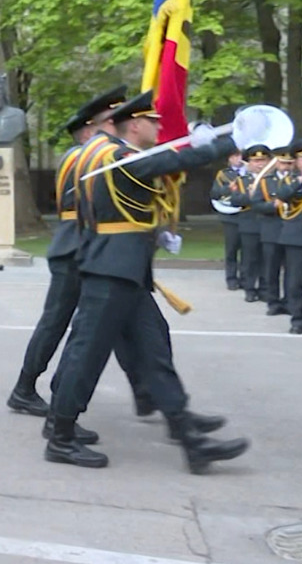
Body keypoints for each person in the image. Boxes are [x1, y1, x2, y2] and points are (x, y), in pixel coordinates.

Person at [44, 93, 248, 473]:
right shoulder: (118, 157)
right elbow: (173, 161)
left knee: (153, 351)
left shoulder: (107, 152)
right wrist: (229, 141)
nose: (159, 127)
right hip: (112, 270)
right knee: (86, 354)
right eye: (153, 122)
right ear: (135, 125)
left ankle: (189, 437)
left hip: (124, 269)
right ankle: (60, 435)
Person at [7, 86, 148, 424]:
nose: (116, 128)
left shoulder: (96, 154)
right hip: (77, 247)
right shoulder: (83, 157)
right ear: (88, 130)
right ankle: (28, 390)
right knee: (62, 322)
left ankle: (146, 390)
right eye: (109, 122)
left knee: (109, 323)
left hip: (89, 247)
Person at [253, 149, 293, 316]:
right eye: (283, 163)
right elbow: (256, 204)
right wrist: (272, 206)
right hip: (272, 230)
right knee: (271, 269)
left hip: (292, 231)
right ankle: (273, 302)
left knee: (293, 271)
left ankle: (290, 302)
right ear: (276, 163)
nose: (286, 166)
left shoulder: (297, 180)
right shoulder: (265, 182)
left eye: (289, 163)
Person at [229, 146, 270, 303]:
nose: (260, 164)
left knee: (267, 259)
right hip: (249, 224)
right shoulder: (242, 181)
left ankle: (265, 289)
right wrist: (250, 195)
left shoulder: (272, 180)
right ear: (249, 163)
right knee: (249, 259)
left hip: (268, 224)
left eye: (263, 160)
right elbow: (235, 200)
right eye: (256, 161)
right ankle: (250, 289)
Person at [275, 141, 302, 334]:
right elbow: (282, 196)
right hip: (296, 237)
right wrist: (300, 181)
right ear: (296, 162)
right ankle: (298, 319)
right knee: (295, 281)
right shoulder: (289, 180)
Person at [210, 154, 244, 291]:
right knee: (232, 249)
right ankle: (231, 279)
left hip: (247, 214)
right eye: (235, 156)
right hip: (230, 216)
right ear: (229, 158)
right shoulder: (223, 174)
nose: (238, 158)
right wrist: (229, 188)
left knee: (248, 250)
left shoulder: (250, 172)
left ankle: (245, 279)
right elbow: (215, 193)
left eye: (240, 155)